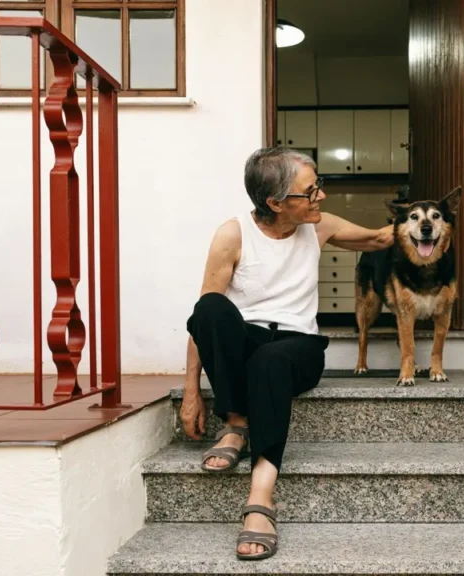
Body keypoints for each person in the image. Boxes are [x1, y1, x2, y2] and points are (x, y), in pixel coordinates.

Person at [179, 147, 394, 561]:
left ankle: (261, 495)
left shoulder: (320, 226)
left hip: (298, 348)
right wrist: (191, 391)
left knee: (272, 360)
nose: (320, 197)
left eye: (318, 186)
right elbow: (202, 326)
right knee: (209, 308)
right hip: (249, 343)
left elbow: (379, 238)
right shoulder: (233, 234)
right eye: (309, 191)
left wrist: (430, 220)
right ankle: (236, 422)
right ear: (276, 203)